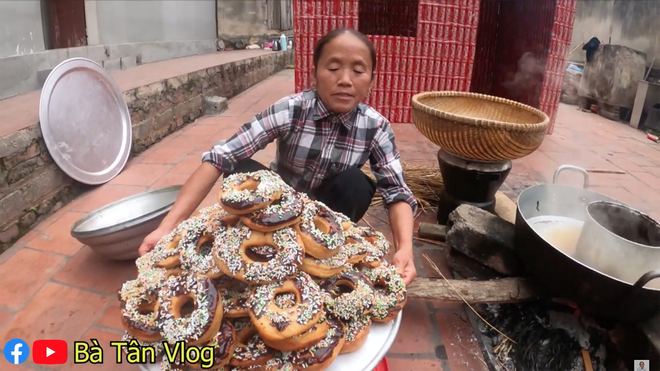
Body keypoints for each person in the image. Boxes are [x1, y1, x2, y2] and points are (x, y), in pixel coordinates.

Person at [138, 28, 418, 286]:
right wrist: (167, 227)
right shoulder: (291, 110)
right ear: (314, 74)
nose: (344, 80)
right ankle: (257, 246)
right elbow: (220, 157)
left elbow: (397, 192)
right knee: (240, 167)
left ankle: (321, 256)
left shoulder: (376, 126)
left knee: (356, 183)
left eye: (358, 71)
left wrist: (404, 249)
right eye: (333, 68)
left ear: (371, 81)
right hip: (273, 211)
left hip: (327, 216)